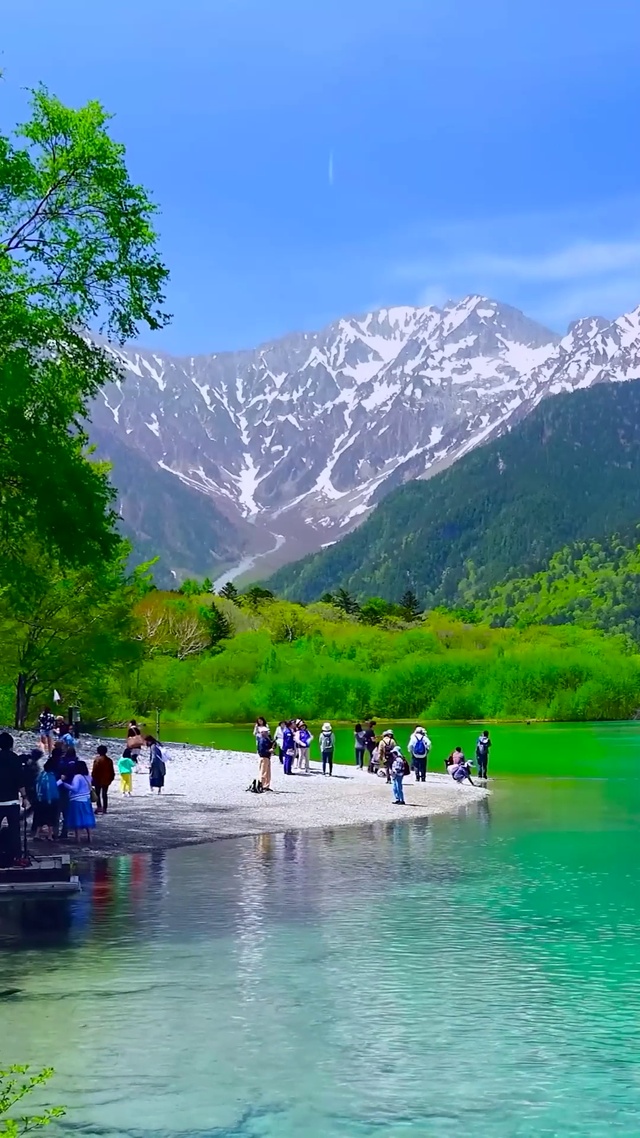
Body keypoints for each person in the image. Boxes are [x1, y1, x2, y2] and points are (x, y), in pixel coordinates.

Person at [0, 733, 26, 862]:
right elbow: (20, 780)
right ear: (11, 745)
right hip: (12, 801)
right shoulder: (15, 759)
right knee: (15, 830)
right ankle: (17, 856)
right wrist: (24, 797)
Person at [58, 760, 95, 843]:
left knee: (77, 820)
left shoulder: (77, 777)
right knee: (87, 818)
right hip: (86, 800)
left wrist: (64, 784)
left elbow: (74, 788)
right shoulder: (88, 776)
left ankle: (78, 838)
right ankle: (90, 837)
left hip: (77, 800)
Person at [34, 758, 60, 840]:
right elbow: (52, 788)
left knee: (40, 817)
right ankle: (49, 835)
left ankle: (37, 834)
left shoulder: (41, 775)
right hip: (51, 800)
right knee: (51, 817)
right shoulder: (51, 776)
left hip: (40, 799)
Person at [91, 745, 115, 814]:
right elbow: (111, 771)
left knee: (97, 793)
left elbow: (94, 770)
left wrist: (93, 778)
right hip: (106, 779)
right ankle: (105, 808)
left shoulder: (97, 760)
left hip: (98, 779)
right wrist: (111, 778)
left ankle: (99, 807)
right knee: (105, 794)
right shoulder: (109, 760)